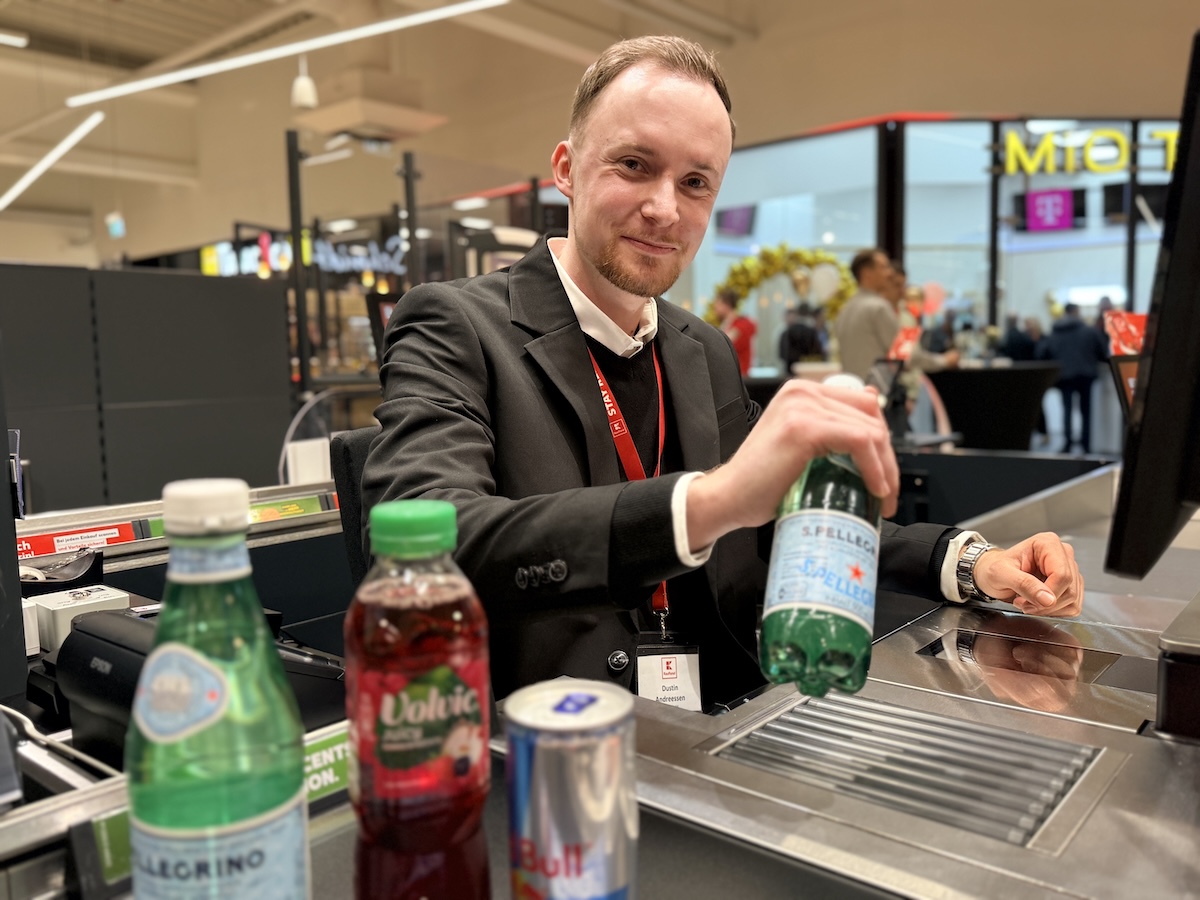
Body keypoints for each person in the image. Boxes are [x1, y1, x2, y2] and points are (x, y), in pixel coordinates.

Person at [361, 35, 1085, 710]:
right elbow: (436, 543)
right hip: (551, 737)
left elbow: (770, 525)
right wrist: (706, 502)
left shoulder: (698, 347)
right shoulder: (454, 323)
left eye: (696, 181)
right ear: (566, 169)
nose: (663, 208)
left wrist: (967, 561)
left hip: (725, 720)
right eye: (635, 165)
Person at [1038, 302, 1110, 454]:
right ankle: (1086, 444)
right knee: (1086, 411)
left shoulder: (1056, 332)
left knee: (1067, 410)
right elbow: (1103, 352)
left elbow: (1044, 352)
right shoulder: (1089, 331)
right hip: (1086, 375)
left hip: (1065, 376)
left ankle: (1068, 443)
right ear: (1077, 312)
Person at [833, 248, 897, 380]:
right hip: (876, 391)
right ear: (867, 273)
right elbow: (900, 353)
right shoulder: (878, 307)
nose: (890, 273)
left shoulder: (845, 310)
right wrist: (942, 360)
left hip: (852, 389)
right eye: (884, 267)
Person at [711, 287, 756, 375]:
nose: (715, 307)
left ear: (727, 305)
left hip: (739, 377)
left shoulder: (742, 325)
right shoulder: (727, 325)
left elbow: (721, 345)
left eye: (718, 303)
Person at [778, 303, 824, 372]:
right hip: (809, 370)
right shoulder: (812, 332)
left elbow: (782, 354)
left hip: (790, 370)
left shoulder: (786, 332)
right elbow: (818, 352)